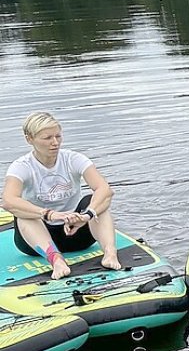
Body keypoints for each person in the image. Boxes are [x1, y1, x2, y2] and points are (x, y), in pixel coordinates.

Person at [3, 112, 123, 280]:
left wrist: (86, 216)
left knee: (95, 201)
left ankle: (110, 254)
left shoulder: (73, 159)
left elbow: (105, 190)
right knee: (23, 213)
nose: (55, 143)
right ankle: (56, 260)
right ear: (29, 139)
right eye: (47, 138)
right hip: (37, 240)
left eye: (58, 136)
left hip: (76, 232)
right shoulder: (21, 166)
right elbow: (8, 201)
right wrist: (49, 214)